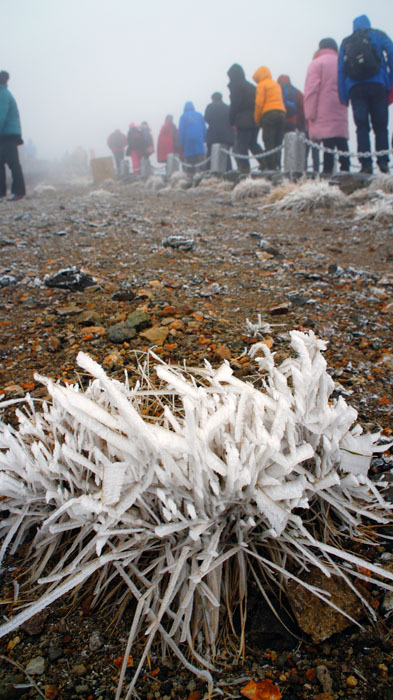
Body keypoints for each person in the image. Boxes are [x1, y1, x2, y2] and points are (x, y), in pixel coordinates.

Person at [338, 15, 393, 174]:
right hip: (378, 85)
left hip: (355, 88)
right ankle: (383, 164)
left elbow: (341, 70)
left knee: (362, 127)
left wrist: (343, 96)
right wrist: (390, 80)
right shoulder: (378, 35)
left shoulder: (346, 42)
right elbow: (391, 52)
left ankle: (365, 165)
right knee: (381, 126)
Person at [304, 39, 350, 174]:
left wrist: (310, 114)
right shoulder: (342, 63)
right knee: (341, 140)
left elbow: (311, 90)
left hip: (323, 109)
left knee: (328, 142)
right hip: (341, 107)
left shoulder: (317, 63)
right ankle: (346, 169)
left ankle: (327, 173)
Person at [227, 63, 262, 172]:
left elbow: (235, 105)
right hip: (255, 120)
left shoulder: (236, 87)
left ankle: (245, 168)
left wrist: (231, 120)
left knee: (242, 146)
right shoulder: (251, 86)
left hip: (243, 120)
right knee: (253, 144)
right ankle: (266, 162)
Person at [253, 66, 286, 170]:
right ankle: (278, 166)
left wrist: (257, 119)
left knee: (269, 141)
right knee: (278, 142)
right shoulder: (276, 84)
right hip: (281, 113)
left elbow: (259, 104)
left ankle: (271, 168)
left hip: (269, 114)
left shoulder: (261, 85)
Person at [0, 70, 26, 201]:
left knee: (13, 163)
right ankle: (3, 192)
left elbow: (1, 116)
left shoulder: (2, 95)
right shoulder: (5, 93)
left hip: (7, 135)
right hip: (7, 135)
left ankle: (18, 192)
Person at [204, 92, 235, 171]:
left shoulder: (210, 106)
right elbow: (232, 120)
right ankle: (228, 172)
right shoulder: (228, 107)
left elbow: (207, 118)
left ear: (213, 98)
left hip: (213, 135)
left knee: (211, 155)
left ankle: (210, 172)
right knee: (226, 156)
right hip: (226, 135)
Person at [178, 101, 206, 172]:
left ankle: (191, 175)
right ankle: (202, 173)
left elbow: (181, 130)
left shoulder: (183, 116)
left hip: (188, 141)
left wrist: (180, 143)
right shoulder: (199, 115)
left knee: (190, 160)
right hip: (199, 140)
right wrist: (205, 139)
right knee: (200, 159)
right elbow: (204, 128)